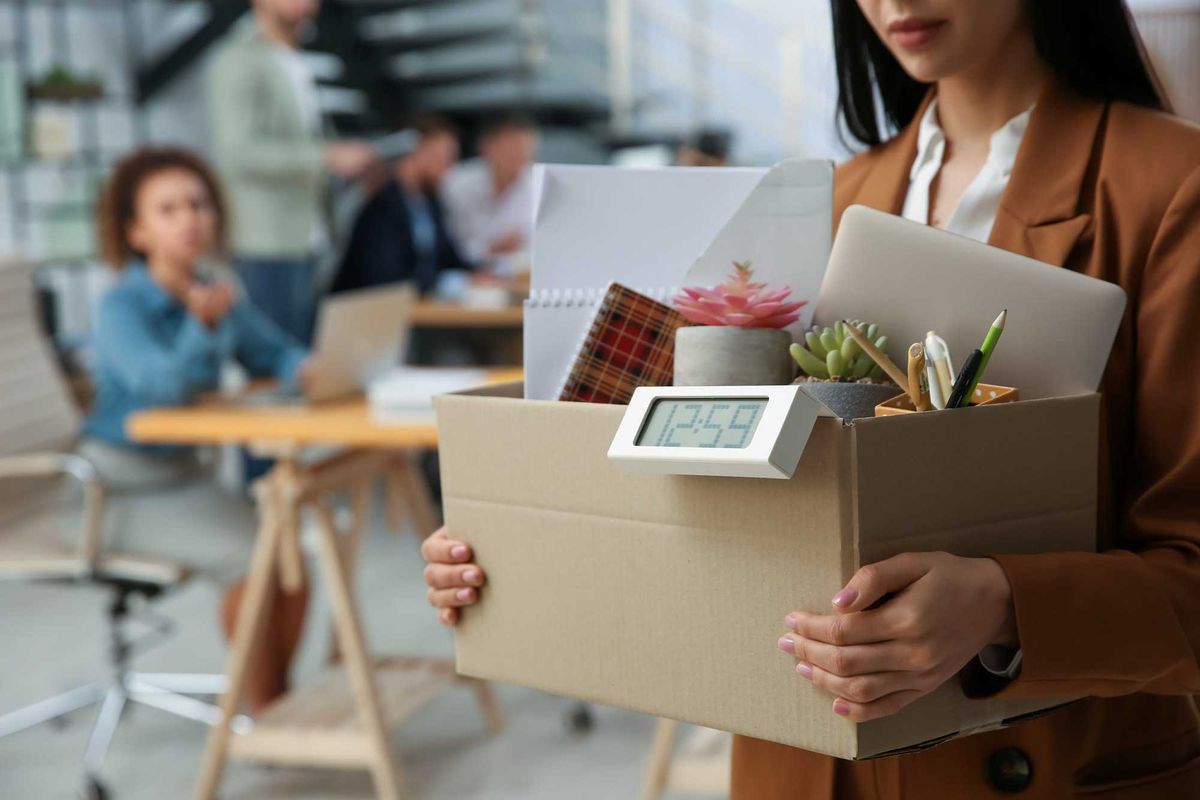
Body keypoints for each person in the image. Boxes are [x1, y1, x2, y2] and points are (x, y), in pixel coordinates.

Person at [420, 1, 1200, 797]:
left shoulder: (1170, 188)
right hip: (801, 763)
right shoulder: (826, 201)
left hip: (1053, 763)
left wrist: (1004, 608)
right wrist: (519, 543)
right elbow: (721, 495)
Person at [86, 147, 311, 713]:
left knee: (291, 558)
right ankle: (266, 714)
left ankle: (277, 705)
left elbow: (273, 350)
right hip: (116, 487)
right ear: (137, 232)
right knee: (254, 564)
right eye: (168, 209)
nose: (190, 218)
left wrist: (308, 367)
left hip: (184, 476)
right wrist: (200, 324)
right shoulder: (120, 307)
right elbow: (163, 388)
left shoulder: (215, 288)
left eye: (198, 204)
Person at [208, 0, 376, 345]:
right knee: (279, 360)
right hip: (266, 240)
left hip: (308, 234)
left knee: (306, 355)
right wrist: (326, 156)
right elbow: (239, 152)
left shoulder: (295, 59)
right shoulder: (238, 59)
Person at [330, 114, 473, 297]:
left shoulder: (430, 203)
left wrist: (476, 273)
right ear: (416, 153)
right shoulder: (382, 204)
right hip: (368, 313)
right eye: (443, 157)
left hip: (414, 309)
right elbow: (385, 278)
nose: (448, 169)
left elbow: (448, 258)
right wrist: (443, 282)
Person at [440, 112, 539, 278]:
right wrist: (491, 249)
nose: (520, 159)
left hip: (514, 281)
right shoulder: (455, 184)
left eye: (526, 153)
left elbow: (532, 254)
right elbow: (449, 246)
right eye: (512, 151)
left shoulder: (536, 189)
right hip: (463, 279)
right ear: (487, 148)